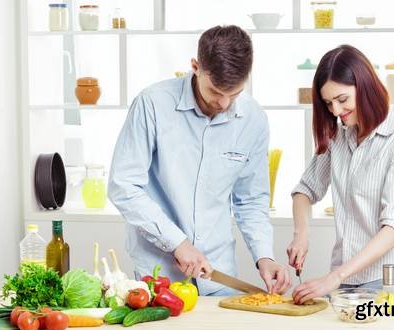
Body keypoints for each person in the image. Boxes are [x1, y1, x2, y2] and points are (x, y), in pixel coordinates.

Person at [108, 25, 291, 296]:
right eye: (216, 91)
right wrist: (177, 242)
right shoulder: (152, 104)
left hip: (218, 273)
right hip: (159, 272)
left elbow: (250, 199)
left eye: (235, 94)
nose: (225, 103)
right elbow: (123, 186)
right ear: (195, 67)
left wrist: (264, 256)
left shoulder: (253, 119)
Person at [287, 45, 394, 304]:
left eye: (342, 99)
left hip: (385, 283)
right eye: (328, 103)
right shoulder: (339, 137)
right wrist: (300, 235)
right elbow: (305, 190)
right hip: (343, 281)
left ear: (365, 86)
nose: (335, 111)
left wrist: (335, 277)